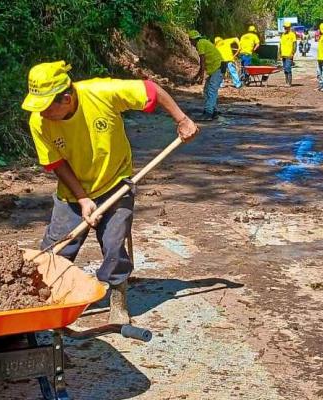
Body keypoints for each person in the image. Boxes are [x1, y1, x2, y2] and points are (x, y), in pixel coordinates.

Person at [21, 61, 199, 324]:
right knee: (56, 250)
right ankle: (40, 301)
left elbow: (151, 90)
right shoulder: (39, 121)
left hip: (116, 183)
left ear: (66, 99)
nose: (42, 113)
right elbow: (57, 163)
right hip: (72, 192)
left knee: (114, 244)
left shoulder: (101, 93)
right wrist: (83, 199)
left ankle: (118, 299)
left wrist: (182, 120)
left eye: (47, 107)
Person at [189, 30, 224, 120]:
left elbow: (202, 61)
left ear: (192, 40)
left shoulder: (200, 44)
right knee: (207, 90)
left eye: (191, 41)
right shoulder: (203, 42)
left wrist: (201, 76)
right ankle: (213, 111)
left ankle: (208, 113)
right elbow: (203, 64)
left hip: (218, 68)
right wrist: (197, 75)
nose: (191, 43)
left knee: (211, 90)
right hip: (216, 68)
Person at [279, 21, 297, 87]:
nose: (285, 28)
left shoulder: (292, 35)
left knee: (288, 68)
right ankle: (286, 82)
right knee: (285, 69)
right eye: (285, 27)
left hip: (289, 55)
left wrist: (293, 53)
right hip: (283, 54)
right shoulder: (283, 35)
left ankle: (289, 83)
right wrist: (279, 53)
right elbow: (280, 44)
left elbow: (295, 44)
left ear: (289, 27)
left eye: (286, 27)